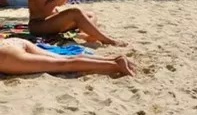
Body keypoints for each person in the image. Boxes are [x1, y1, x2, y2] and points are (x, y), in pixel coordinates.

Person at [0, 38, 135, 76]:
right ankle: (112, 59)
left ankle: (114, 66)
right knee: (63, 59)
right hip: (12, 42)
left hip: (6, 55)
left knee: (62, 65)